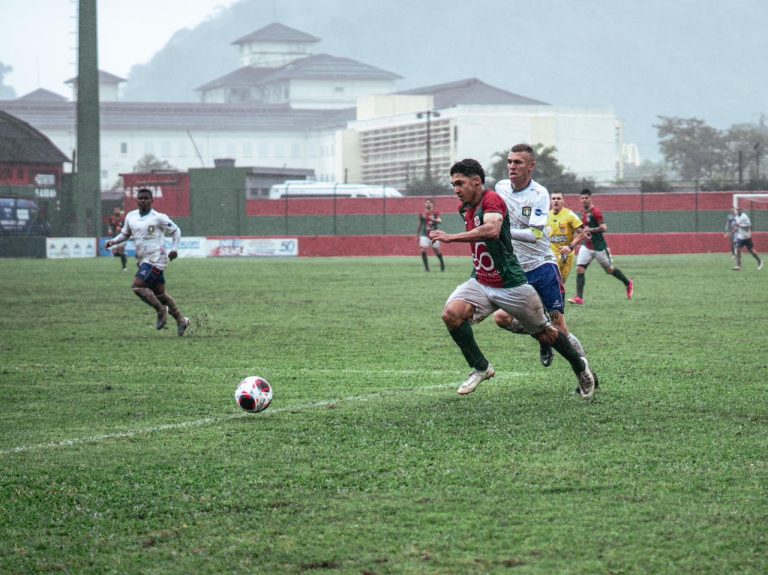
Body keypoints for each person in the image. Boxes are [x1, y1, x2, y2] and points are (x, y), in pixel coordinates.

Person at [428, 158, 596, 399]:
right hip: (481, 279)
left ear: (476, 181)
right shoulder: (465, 207)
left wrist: (450, 237)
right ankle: (481, 368)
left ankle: (581, 368)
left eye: (460, 183)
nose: (456, 189)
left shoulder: (492, 201)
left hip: (510, 283)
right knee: (451, 314)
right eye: (453, 184)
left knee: (546, 333)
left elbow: (492, 230)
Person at [492, 144, 589, 373]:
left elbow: (534, 235)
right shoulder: (500, 187)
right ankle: (543, 338)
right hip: (517, 269)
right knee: (501, 318)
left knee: (559, 326)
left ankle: (585, 371)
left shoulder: (539, 194)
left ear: (531, 166)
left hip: (542, 266)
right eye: (509, 161)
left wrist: (503, 231)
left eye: (518, 162)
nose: (512, 166)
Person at [105, 188, 190, 336]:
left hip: (157, 259)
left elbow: (176, 231)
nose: (143, 200)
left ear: (152, 201)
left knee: (138, 287)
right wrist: (113, 241)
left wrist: (174, 249)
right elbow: (125, 234)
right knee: (160, 295)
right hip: (143, 259)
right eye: (141, 198)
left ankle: (161, 310)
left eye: (146, 198)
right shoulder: (131, 216)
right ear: (137, 200)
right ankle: (181, 320)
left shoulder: (159, 217)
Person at [568, 189, 634, 305]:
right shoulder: (583, 213)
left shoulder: (596, 212)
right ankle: (579, 298)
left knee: (609, 270)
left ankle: (628, 283)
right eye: (582, 198)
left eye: (586, 198)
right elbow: (582, 230)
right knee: (580, 269)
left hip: (599, 247)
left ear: (590, 198)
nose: (584, 200)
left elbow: (604, 227)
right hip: (586, 247)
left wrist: (590, 229)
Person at [548, 190, 588, 287]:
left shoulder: (570, 215)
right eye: (553, 198)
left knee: (560, 283)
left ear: (563, 201)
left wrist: (570, 247)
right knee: (551, 281)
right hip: (550, 254)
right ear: (550, 201)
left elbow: (583, 233)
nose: (556, 200)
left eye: (558, 198)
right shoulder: (546, 215)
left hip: (566, 255)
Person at [416, 198, 445, 271]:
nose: (428, 204)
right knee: (423, 250)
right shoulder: (422, 214)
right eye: (426, 202)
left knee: (437, 251)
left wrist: (433, 219)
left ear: (433, 204)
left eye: (429, 202)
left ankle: (442, 264)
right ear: (425, 204)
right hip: (424, 234)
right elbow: (419, 224)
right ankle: (427, 268)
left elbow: (440, 221)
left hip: (434, 235)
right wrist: (417, 235)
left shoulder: (435, 213)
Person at [732, 206, 764, 271]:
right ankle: (738, 266)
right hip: (740, 236)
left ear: (742, 210)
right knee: (738, 249)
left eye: (739, 210)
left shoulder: (745, 217)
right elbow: (737, 225)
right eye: (737, 210)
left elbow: (748, 226)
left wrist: (740, 226)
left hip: (747, 236)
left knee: (751, 250)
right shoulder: (736, 217)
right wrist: (735, 228)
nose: (738, 211)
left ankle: (760, 261)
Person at [107, 206, 128, 271]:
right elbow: (110, 225)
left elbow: (126, 228)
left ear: (120, 211)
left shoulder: (123, 219)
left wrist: (120, 229)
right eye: (115, 210)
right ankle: (124, 255)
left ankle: (124, 267)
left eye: (118, 210)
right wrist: (109, 230)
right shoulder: (112, 218)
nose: (116, 211)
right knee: (116, 253)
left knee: (120, 251)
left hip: (122, 237)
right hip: (114, 238)